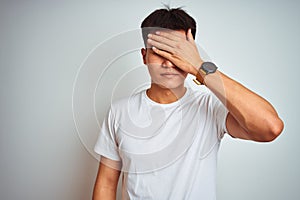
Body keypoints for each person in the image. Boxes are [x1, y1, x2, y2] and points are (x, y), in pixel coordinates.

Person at [92, 7, 284, 200]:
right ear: (144, 56)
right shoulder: (120, 111)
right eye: (159, 52)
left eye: (177, 53)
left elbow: (270, 127)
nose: (168, 63)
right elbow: (106, 184)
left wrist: (200, 67)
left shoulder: (210, 107)